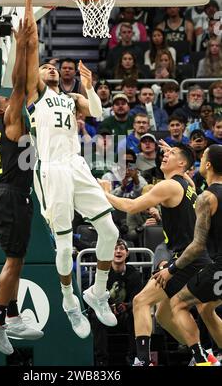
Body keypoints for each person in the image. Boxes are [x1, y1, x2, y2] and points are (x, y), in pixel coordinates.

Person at [23, 0, 120, 338]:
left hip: (76, 166)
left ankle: (97, 292)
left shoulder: (70, 97)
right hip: (51, 170)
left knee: (109, 230)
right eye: (46, 66)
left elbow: (95, 112)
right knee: (64, 245)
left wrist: (91, 88)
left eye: (52, 66)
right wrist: (30, 2)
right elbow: (31, 49)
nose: (50, 69)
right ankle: (68, 301)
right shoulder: (36, 96)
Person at [98, 143, 211, 365]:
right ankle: (200, 355)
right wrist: (178, 152)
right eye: (165, 153)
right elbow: (186, 171)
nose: (164, 155)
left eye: (170, 154)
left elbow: (130, 206)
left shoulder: (169, 185)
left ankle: (142, 361)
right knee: (163, 315)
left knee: (141, 301)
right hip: (195, 257)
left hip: (186, 259)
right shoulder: (188, 184)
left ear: (182, 163)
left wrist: (104, 194)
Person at [0, 15, 43, 355]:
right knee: (13, 262)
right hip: (12, 195)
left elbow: (26, 87)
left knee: (16, 259)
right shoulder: (9, 121)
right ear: (1, 108)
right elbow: (19, 85)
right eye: (4, 100)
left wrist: (30, 44)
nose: (9, 100)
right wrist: (18, 46)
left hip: (12, 195)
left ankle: (13, 314)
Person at [153, 144, 222, 365]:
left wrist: (171, 270)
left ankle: (202, 361)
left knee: (180, 304)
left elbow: (197, 246)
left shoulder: (207, 198)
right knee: (207, 309)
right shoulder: (202, 192)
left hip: (218, 264)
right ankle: (215, 357)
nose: (200, 161)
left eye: (202, 157)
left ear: (208, 164)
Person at [89, 239, 142, 366]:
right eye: (115, 248)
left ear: (127, 253)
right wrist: (107, 308)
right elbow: (93, 298)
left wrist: (126, 306)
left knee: (137, 314)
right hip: (104, 314)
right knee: (95, 316)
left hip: (125, 316)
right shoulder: (102, 273)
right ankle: (101, 360)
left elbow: (138, 299)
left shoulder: (134, 274)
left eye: (121, 248)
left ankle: (134, 358)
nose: (118, 251)